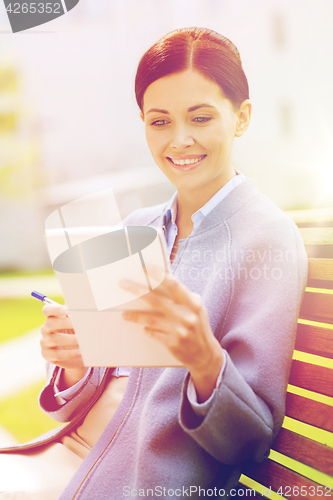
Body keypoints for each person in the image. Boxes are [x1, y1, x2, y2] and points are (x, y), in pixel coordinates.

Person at [0, 27, 308, 499]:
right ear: (142, 121)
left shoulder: (267, 240)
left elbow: (251, 441)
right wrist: (76, 363)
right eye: (160, 122)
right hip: (71, 454)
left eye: (200, 117)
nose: (180, 140)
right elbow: (76, 401)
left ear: (241, 117)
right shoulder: (138, 228)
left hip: (137, 484)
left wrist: (204, 360)